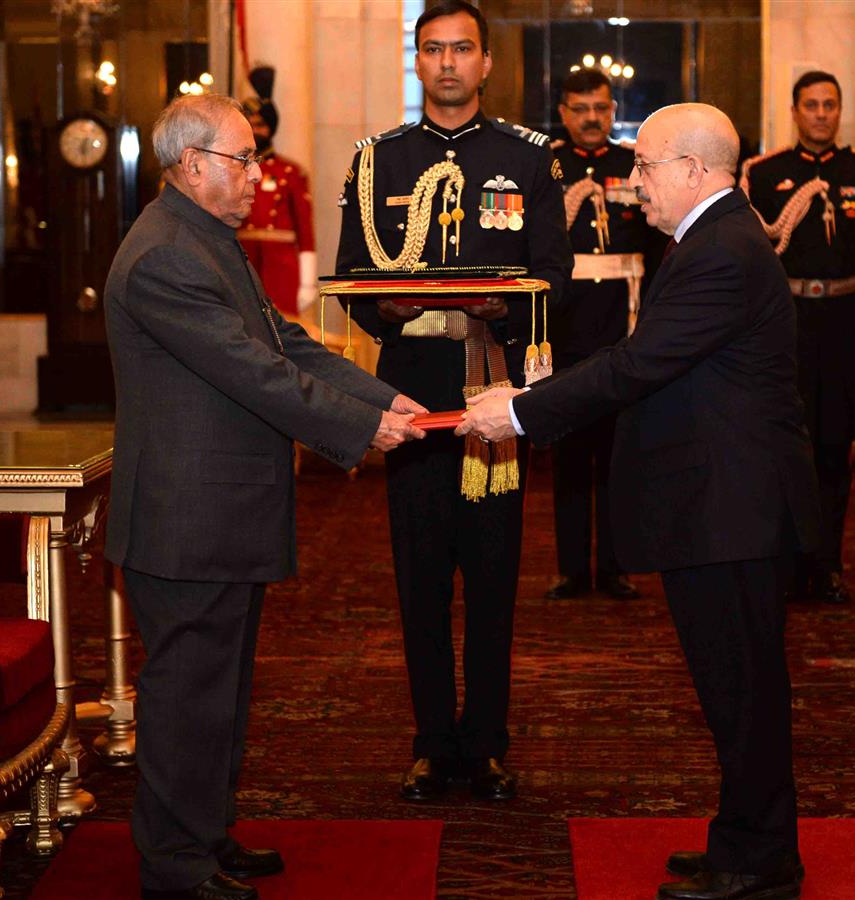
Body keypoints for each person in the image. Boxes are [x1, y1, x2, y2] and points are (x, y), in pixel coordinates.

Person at [459, 103, 820, 900]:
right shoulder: (709, 240)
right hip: (721, 503)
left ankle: (757, 864)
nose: (630, 183)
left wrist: (519, 408)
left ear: (695, 170)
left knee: (744, 692)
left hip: (733, 508)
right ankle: (748, 843)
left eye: (646, 167)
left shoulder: (722, 249)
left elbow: (637, 365)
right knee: (734, 689)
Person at [104, 94, 424, 900]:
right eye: (243, 159)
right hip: (186, 521)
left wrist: (383, 399)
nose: (258, 175)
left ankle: (203, 836)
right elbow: (258, 376)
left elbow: (285, 342)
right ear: (191, 165)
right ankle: (175, 867)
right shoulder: (167, 256)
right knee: (187, 698)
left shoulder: (206, 240)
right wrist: (362, 429)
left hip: (218, 514)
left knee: (222, 692)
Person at [334, 0, 572, 803]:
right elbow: (352, 282)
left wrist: (500, 307)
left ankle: (489, 744)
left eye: (461, 49)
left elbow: (556, 281)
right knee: (420, 577)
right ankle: (433, 743)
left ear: (485, 62)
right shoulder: (380, 162)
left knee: (496, 576)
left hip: (493, 391)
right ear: (417, 60)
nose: (446, 63)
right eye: (431, 49)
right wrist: (384, 311)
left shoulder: (528, 158)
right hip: (409, 396)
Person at [741, 70, 855, 605]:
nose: (822, 114)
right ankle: (785, 561)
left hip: (844, 324)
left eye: (830, 104)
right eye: (812, 105)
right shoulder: (763, 174)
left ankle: (827, 563)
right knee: (783, 446)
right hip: (787, 325)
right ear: (795, 110)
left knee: (834, 448)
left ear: (839, 110)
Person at [544, 66, 660, 601]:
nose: (592, 119)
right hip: (565, 325)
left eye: (601, 108)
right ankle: (571, 568)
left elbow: (658, 249)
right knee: (569, 455)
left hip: (625, 324)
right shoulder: (544, 165)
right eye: (581, 109)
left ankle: (616, 566)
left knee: (620, 454)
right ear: (564, 112)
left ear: (613, 110)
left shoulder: (633, 166)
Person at [236, 66, 318, 319]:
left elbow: (304, 230)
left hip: (280, 266)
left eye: (260, 125)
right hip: (243, 259)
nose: (255, 130)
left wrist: (307, 281)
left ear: (271, 127)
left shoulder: (290, 171)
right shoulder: (235, 168)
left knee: (283, 330)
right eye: (250, 125)